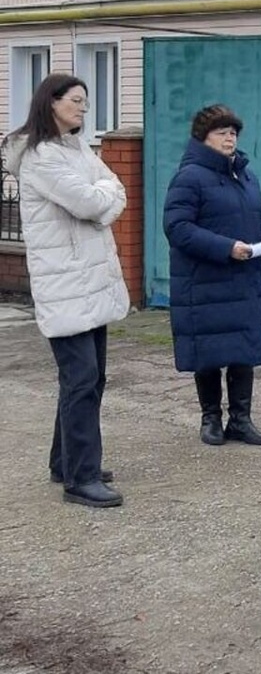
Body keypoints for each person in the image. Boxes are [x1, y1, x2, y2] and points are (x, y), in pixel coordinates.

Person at [2, 74, 129, 508]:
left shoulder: (75, 149)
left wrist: (102, 198)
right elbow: (93, 203)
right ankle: (82, 477)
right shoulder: (40, 157)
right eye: (76, 101)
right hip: (65, 282)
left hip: (90, 280)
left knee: (90, 379)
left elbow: (113, 188)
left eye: (85, 102)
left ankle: (67, 462)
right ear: (51, 103)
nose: (83, 109)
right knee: (80, 380)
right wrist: (102, 201)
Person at [163, 104, 261, 448]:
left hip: (245, 278)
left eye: (233, 132)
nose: (230, 138)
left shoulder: (245, 174)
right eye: (222, 132)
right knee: (208, 350)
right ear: (203, 137)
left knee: (243, 349)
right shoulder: (190, 176)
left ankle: (241, 419)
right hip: (205, 280)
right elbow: (178, 227)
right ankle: (211, 418)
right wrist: (226, 247)